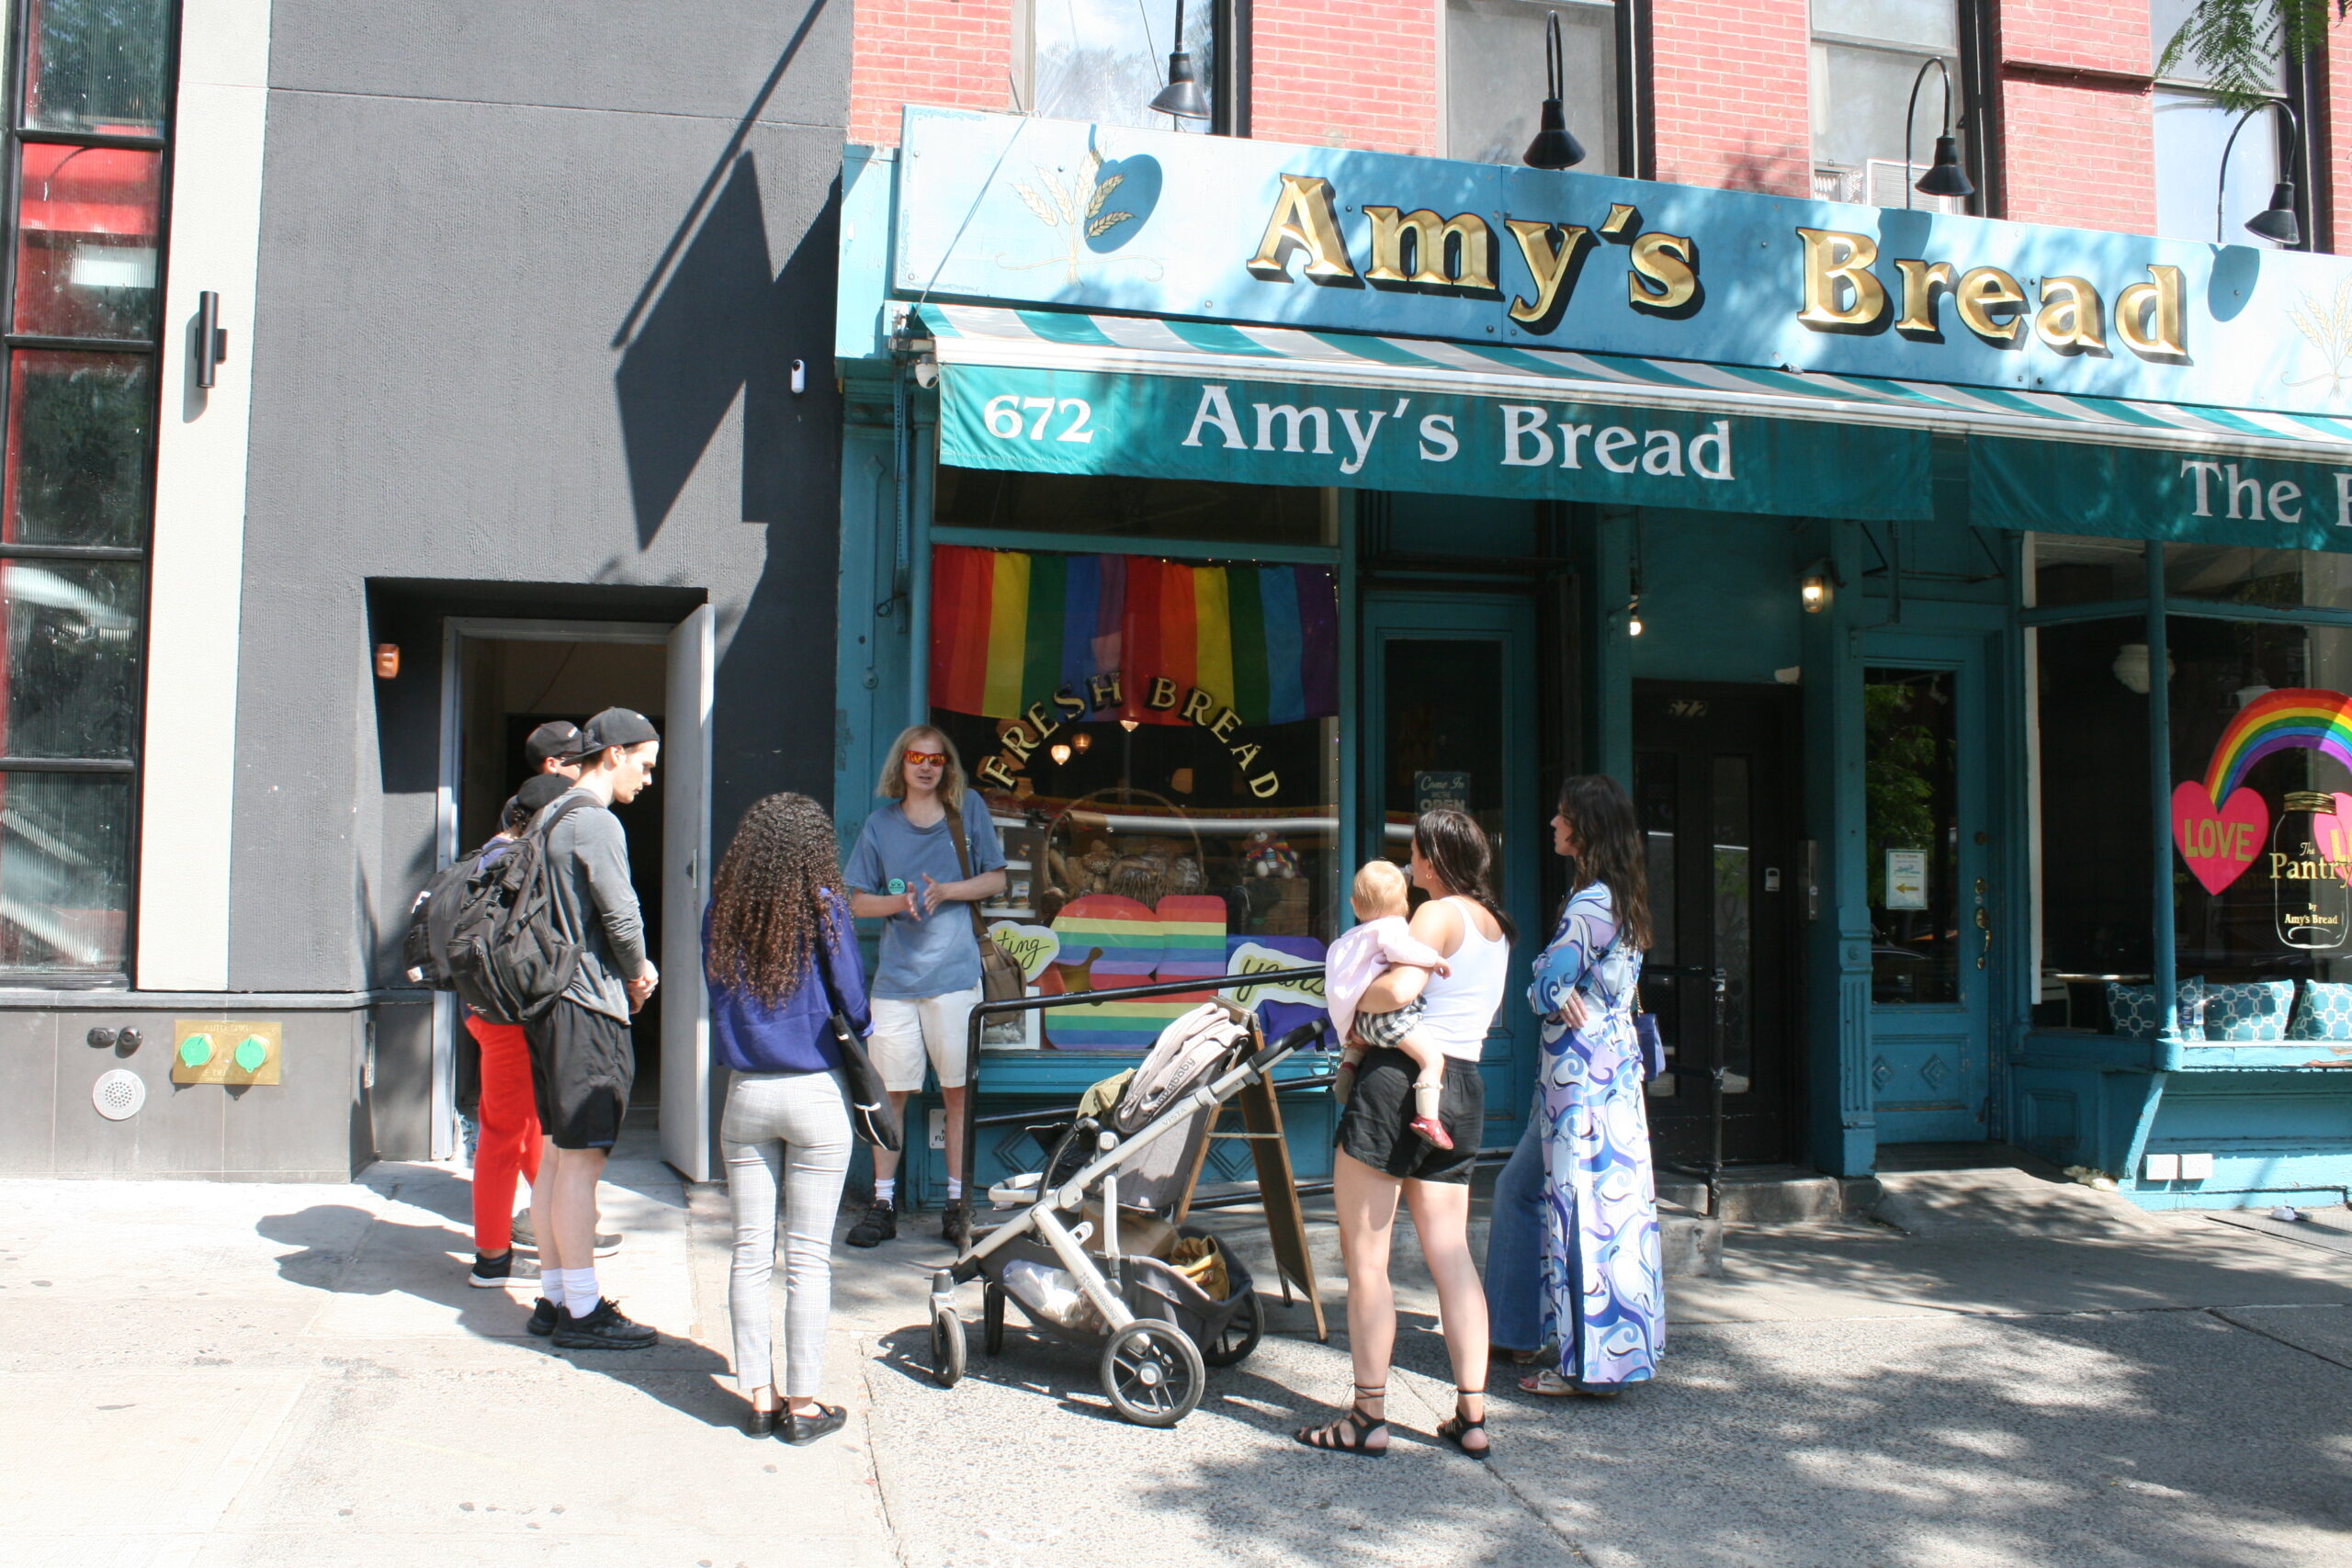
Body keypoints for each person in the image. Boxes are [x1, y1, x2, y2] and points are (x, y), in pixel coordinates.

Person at [1297, 809, 1510, 1461]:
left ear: (1433, 860)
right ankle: (1471, 1415)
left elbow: (1401, 985)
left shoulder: (1436, 914)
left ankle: (1368, 1414)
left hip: (1396, 1081)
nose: (1411, 866)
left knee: (1368, 1260)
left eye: (1416, 854)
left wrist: (1355, 1002)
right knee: (1452, 1257)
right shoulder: (1496, 927)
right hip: (1462, 1084)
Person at [705, 793, 864, 1444]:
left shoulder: (723, 909)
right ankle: (803, 1404)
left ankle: (760, 1398)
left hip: (746, 1092)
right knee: (808, 1259)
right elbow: (853, 997)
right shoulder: (822, 905)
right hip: (815, 1091)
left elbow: (715, 993)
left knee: (749, 1252)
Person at [1501, 773, 1664, 1398]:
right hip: (1616, 1067)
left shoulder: (1586, 904)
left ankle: (1583, 1365)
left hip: (1578, 1075)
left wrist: (1546, 978)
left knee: (1578, 1209)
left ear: (1583, 828)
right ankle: (1605, 1353)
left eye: (1561, 815)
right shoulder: (1623, 897)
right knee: (1613, 1210)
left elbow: (1546, 985)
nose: (1552, 823)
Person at [522, 706, 662, 1350]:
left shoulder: (548, 815)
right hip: (588, 1005)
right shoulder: (596, 823)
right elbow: (622, 916)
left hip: (547, 1004)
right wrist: (640, 972)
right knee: (582, 1164)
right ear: (613, 754)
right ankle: (582, 1307)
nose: (649, 778)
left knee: (556, 1153)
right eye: (644, 763)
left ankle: (555, 1296)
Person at [840, 725, 1005, 1247]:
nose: (926, 766)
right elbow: (855, 900)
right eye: (916, 757)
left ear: (947, 766)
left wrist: (948, 891)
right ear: (902, 764)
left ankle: (958, 1206)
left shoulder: (968, 809)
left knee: (958, 1094)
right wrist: (901, 903)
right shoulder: (881, 824)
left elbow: (998, 878)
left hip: (956, 976)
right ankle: (882, 1204)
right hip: (895, 980)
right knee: (890, 1096)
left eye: (936, 758)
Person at [464, 773, 566, 1288]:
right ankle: (491, 1259)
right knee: (503, 1134)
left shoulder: (489, 854)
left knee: (524, 1124)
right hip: (508, 1016)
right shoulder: (520, 860)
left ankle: (560, 1224)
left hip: (486, 1009)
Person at [1325, 859, 1454, 1147]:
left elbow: (1336, 985)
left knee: (1361, 1043)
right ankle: (1428, 1117)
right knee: (1432, 1060)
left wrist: (1348, 1028)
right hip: (1390, 1019)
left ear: (1354, 904)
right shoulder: (1392, 928)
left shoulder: (1345, 941)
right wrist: (1434, 959)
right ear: (1404, 904)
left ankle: (1349, 1064)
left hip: (1361, 1024)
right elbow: (1404, 950)